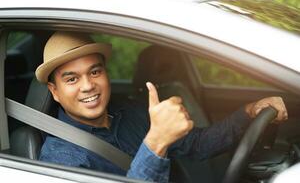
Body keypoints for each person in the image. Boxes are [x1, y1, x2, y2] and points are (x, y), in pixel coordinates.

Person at [36, 31, 288, 182]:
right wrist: (156, 143)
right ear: (54, 91)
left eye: (95, 72)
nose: (88, 86)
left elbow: (198, 145)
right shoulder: (61, 159)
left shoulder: (131, 113)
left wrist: (248, 112)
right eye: (72, 79)